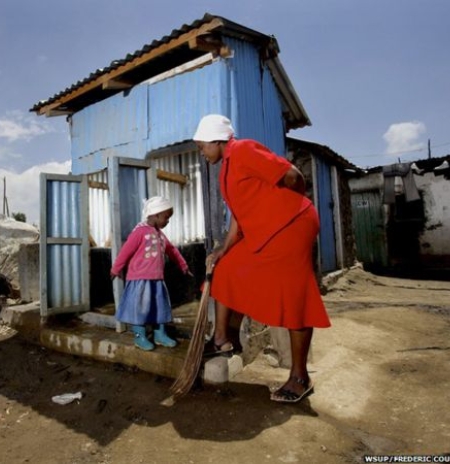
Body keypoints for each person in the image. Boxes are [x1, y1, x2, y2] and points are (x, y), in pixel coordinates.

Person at [192, 114, 331, 403]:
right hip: (266, 232)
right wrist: (224, 249)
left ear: (217, 140)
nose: (201, 153)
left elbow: (292, 175)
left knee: (293, 296)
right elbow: (238, 217)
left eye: (202, 146)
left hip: (293, 224)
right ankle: (223, 340)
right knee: (226, 268)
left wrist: (288, 204)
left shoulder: (243, 149)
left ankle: (300, 378)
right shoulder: (225, 169)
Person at [110, 196, 194, 351]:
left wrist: (183, 265)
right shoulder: (139, 232)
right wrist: (116, 269)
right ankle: (139, 336)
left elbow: (172, 250)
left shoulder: (160, 234)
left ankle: (160, 334)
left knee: (159, 307)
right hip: (140, 280)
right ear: (156, 215)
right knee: (140, 309)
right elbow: (125, 251)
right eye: (166, 218)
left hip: (157, 280)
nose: (167, 221)